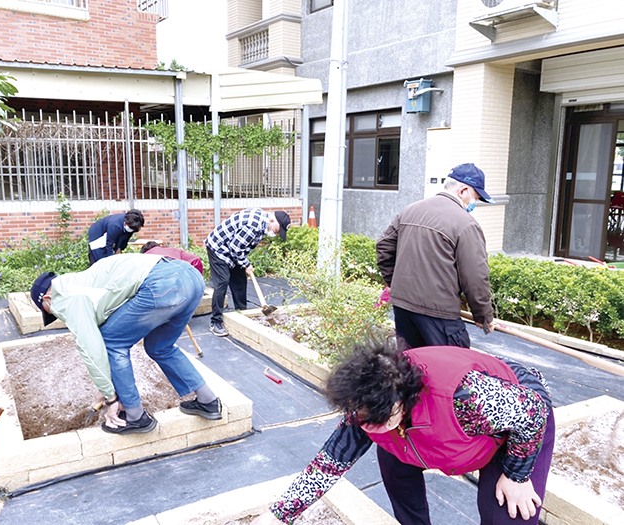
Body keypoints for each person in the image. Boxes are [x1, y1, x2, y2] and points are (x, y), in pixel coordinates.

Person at [252, 339, 554, 525]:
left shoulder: (465, 396)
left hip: (518, 424)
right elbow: (329, 464)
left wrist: (517, 475)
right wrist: (279, 514)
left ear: (401, 399)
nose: (371, 429)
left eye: (381, 420)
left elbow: (533, 413)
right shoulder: (366, 401)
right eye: (365, 422)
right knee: (393, 460)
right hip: (435, 433)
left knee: (507, 514)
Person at [30, 253, 222, 435]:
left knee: (111, 342)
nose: (55, 315)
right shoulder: (87, 281)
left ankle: (135, 416)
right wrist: (106, 384)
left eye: (50, 311)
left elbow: (92, 348)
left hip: (163, 283)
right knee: (160, 346)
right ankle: (208, 401)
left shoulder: (64, 298)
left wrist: (111, 398)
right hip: (191, 277)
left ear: (47, 299)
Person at [376, 163, 496, 349]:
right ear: (463, 190)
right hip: (439, 314)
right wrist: (483, 316)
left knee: (411, 366)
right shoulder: (465, 223)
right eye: (475, 198)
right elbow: (475, 277)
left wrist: (393, 283)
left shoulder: (410, 210)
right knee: (449, 369)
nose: (473, 204)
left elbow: (384, 246)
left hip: (403, 308)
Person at [205, 208, 291, 337]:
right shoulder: (254, 226)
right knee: (222, 281)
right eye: (277, 229)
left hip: (233, 250)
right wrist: (246, 264)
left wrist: (244, 264)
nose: (277, 233)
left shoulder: (264, 225)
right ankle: (215, 322)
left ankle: (242, 315)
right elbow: (235, 248)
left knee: (240, 281)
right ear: (273, 220)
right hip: (219, 248)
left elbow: (240, 247)